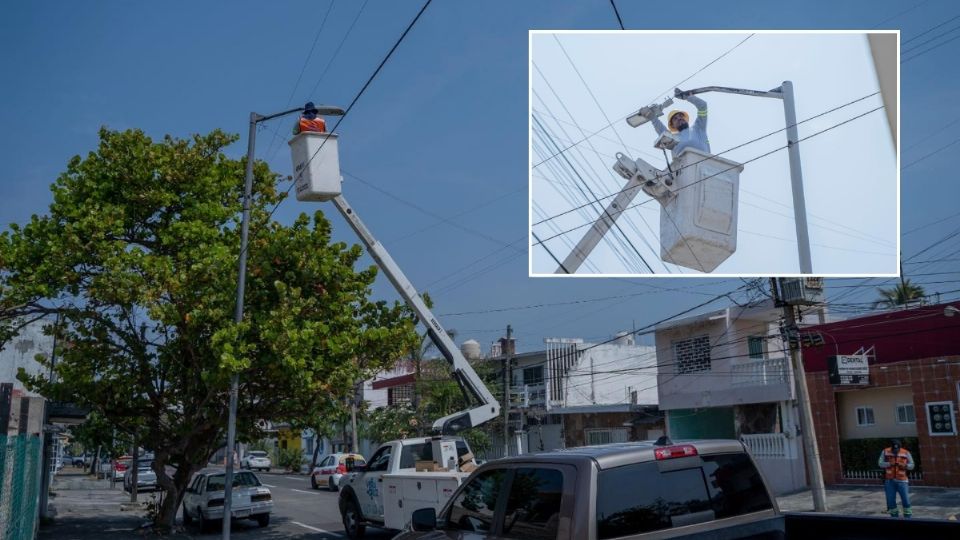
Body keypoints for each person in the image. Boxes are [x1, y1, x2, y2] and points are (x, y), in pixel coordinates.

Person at [651, 88, 710, 157]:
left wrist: (688, 97)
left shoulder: (698, 128)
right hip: (684, 166)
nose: (679, 118)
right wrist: (651, 116)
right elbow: (660, 129)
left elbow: (703, 106)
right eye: (675, 119)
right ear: (672, 125)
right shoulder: (672, 138)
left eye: (681, 116)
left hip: (704, 163)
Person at [878, 439, 915, 518]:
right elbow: (880, 463)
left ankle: (908, 518)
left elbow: (912, 465)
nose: (895, 451)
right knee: (891, 502)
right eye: (894, 450)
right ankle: (894, 518)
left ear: (900, 447)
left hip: (902, 481)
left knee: (906, 501)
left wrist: (905, 466)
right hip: (889, 481)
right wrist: (889, 463)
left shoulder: (906, 452)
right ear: (891, 447)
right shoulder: (885, 451)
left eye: (897, 450)